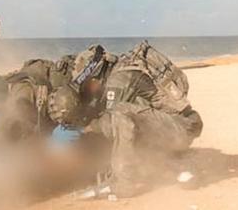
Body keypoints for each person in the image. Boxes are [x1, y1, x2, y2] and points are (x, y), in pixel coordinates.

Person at [69, 42, 203, 198]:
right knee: (128, 123)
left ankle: (124, 184)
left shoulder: (119, 81)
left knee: (118, 116)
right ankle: (182, 167)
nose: (88, 89)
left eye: (87, 83)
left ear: (95, 74)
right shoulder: (123, 70)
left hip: (180, 128)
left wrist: (85, 131)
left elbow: (114, 125)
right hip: (180, 126)